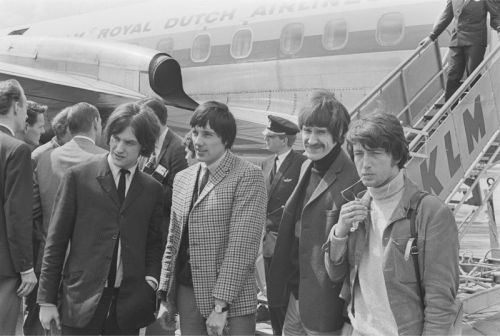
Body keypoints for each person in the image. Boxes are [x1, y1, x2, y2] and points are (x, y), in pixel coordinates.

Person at [325, 112, 460, 335]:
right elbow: (335, 275)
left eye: (375, 153)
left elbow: (440, 302)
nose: (364, 164)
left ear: (396, 156)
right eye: (358, 154)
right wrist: (339, 232)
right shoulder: (358, 207)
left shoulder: (431, 213)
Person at [37, 102, 164, 335]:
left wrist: (150, 282)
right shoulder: (79, 176)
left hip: (127, 307)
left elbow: (155, 244)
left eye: (129, 142)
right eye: (116, 138)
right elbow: (55, 241)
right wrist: (46, 300)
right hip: (79, 301)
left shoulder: (152, 189)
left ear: (143, 146)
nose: (119, 148)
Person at [158, 101, 267, 336]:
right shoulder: (183, 179)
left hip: (231, 299)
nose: (198, 141)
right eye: (195, 132)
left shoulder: (247, 175)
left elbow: (242, 245)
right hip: (187, 291)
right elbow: (174, 240)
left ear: (226, 139)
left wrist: (221, 304)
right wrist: (165, 293)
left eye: (208, 134)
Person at [267, 90, 358, 335]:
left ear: (338, 135)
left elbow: (355, 261)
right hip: (294, 297)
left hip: (325, 310)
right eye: (307, 130)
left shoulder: (352, 179)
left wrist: (347, 319)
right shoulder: (307, 165)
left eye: (321, 132)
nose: (311, 139)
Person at [24, 103, 107, 335]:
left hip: (47, 260)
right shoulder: (106, 160)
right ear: (97, 123)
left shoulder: (43, 158)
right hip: (89, 269)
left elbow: (32, 212)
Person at [260, 115, 305, 335]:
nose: (266, 140)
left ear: (284, 140)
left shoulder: (301, 164)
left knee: (286, 296)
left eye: (270, 137)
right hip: (268, 243)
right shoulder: (267, 164)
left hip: (287, 245)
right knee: (273, 297)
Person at [0, 79, 37, 335]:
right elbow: (17, 214)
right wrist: (26, 267)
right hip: (5, 267)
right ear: (15, 106)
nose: (25, 113)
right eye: (24, 107)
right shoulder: (17, 150)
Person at [420, 0, 500, 101]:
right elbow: (446, 16)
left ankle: (477, 103)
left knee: (473, 74)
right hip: (456, 40)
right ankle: (449, 110)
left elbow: (496, 14)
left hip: (475, 40)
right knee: (452, 75)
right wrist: (431, 37)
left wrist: (499, 28)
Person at [138, 97, 188, 243]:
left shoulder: (178, 147)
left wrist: (146, 185)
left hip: (163, 233)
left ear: (154, 119)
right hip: (145, 228)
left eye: (142, 121)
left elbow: (179, 196)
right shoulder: (146, 145)